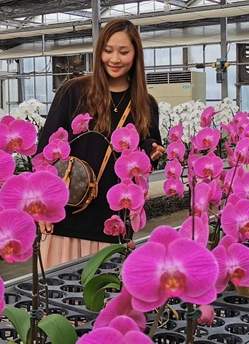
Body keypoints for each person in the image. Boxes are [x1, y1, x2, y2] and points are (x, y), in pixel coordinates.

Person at [36, 19, 165, 268]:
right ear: (99, 53)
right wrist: (42, 205)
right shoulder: (73, 92)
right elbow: (44, 154)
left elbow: (148, 161)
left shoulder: (145, 104)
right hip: (66, 219)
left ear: (136, 54)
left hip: (112, 223)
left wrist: (151, 149)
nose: (114, 59)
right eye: (108, 50)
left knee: (104, 301)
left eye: (124, 52)